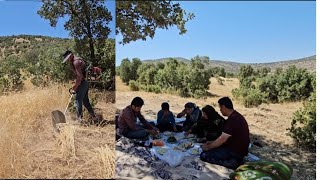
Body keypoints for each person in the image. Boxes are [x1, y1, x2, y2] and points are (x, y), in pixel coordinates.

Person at [200, 97, 250, 170]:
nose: (220, 110)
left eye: (220, 108)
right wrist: (212, 142)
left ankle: (233, 162)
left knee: (204, 155)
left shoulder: (233, 120)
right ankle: (234, 160)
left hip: (235, 151)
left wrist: (207, 147)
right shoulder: (236, 116)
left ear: (223, 107)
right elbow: (225, 138)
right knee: (212, 146)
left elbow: (222, 140)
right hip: (237, 148)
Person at [62, 50, 97, 123]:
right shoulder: (78, 60)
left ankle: (79, 119)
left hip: (82, 83)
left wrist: (75, 86)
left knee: (78, 100)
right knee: (85, 101)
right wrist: (76, 83)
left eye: (67, 58)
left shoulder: (76, 62)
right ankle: (94, 117)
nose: (67, 60)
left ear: (71, 55)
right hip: (85, 82)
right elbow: (80, 75)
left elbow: (80, 77)